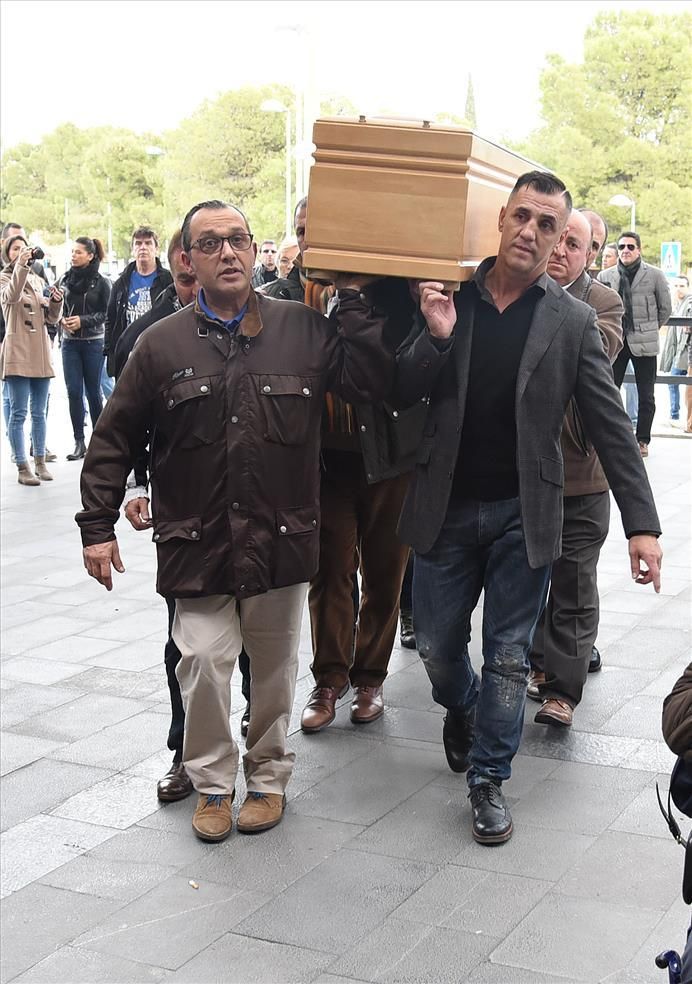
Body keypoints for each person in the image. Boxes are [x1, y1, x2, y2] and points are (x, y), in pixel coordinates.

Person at [76, 199, 391, 843]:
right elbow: (114, 437)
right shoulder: (157, 345)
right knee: (202, 662)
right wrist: (98, 525)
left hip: (279, 540)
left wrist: (354, 300)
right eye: (212, 242)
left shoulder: (303, 330)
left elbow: (369, 380)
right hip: (197, 544)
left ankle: (269, 779)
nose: (228, 252)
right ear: (187, 260)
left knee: (273, 674)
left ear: (253, 250)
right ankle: (215, 785)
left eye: (239, 239)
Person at [395, 171, 662, 846]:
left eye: (550, 225)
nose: (533, 232)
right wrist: (433, 335)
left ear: (561, 240)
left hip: (525, 512)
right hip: (446, 508)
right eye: (524, 216)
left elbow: (608, 423)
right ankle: (460, 706)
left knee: (509, 655)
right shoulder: (450, 293)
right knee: (434, 644)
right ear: (501, 219)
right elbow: (398, 388)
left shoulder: (570, 320)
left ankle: (488, 778)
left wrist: (644, 525)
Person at [115, 230, 252, 802]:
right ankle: (185, 749)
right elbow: (124, 422)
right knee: (186, 647)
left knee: (253, 644)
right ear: (180, 266)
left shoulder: (261, 324)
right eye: (187, 275)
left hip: (255, 520)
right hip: (188, 523)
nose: (199, 282)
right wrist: (135, 486)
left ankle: (250, 728)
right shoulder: (149, 340)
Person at [526, 209, 624, 728]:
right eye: (555, 239)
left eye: (573, 244)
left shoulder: (601, 302)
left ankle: (562, 690)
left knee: (575, 583)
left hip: (582, 474)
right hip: (526, 473)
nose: (560, 250)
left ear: (590, 254)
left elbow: (599, 351)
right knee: (529, 578)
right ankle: (540, 666)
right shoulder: (522, 295)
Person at [598, 231, 672, 456]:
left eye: (631, 247)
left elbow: (665, 308)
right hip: (616, 342)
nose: (626, 251)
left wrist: (649, 329)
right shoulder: (606, 276)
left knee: (646, 395)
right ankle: (609, 438)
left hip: (645, 343)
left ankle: (642, 441)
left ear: (639, 249)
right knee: (608, 392)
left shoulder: (655, 275)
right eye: (621, 247)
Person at [0, 236, 63, 484]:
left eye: (24, 247)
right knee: (18, 413)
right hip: (18, 351)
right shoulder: (5, 278)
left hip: (40, 352)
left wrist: (57, 301)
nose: (22, 251)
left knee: (39, 412)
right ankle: (21, 466)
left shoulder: (38, 280)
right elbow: (11, 297)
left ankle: (40, 461)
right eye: (16, 248)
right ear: (8, 254)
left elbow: (51, 319)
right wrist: (21, 266)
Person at [58, 237, 111, 461]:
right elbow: (56, 306)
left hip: (93, 342)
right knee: (73, 392)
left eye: (79, 252)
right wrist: (60, 319)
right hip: (69, 343)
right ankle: (79, 441)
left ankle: (99, 442)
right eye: (72, 251)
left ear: (90, 256)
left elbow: (107, 313)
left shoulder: (102, 282)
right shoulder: (65, 278)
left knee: (93, 392)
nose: (73, 255)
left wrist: (83, 320)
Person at [103, 226, 172, 381]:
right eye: (138, 243)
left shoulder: (167, 281)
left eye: (148, 243)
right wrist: (111, 352)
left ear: (156, 249)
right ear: (133, 249)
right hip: (128, 351)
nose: (143, 248)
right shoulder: (121, 282)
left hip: (159, 352)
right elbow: (111, 318)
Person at [661, 276, 692, 427]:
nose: (679, 289)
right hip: (680, 351)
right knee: (677, 382)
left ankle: (676, 415)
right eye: (676, 286)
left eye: (682, 285)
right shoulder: (678, 304)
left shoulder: (689, 302)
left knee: (675, 381)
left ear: (688, 287)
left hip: (686, 351)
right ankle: (678, 415)